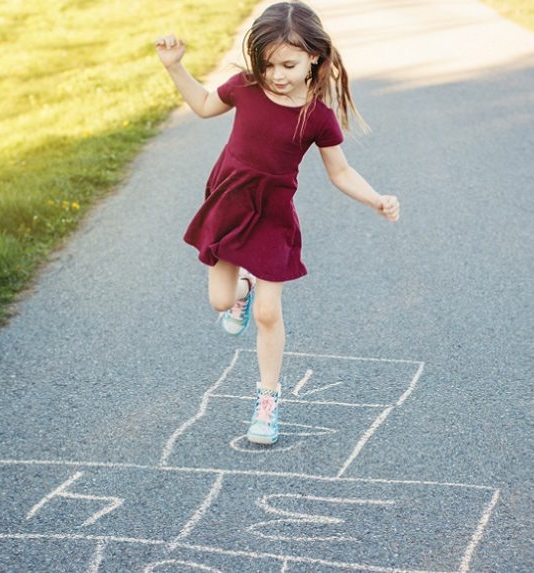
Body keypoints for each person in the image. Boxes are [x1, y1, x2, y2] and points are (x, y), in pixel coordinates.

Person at [155, 1, 399, 446]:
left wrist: (375, 199)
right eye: (268, 64)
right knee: (219, 300)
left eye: (288, 64)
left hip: (272, 216)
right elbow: (206, 105)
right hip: (228, 204)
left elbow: (340, 172)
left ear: (314, 58)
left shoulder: (317, 117)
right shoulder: (246, 88)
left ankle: (267, 401)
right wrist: (176, 69)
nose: (277, 74)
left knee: (270, 314)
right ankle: (241, 293)